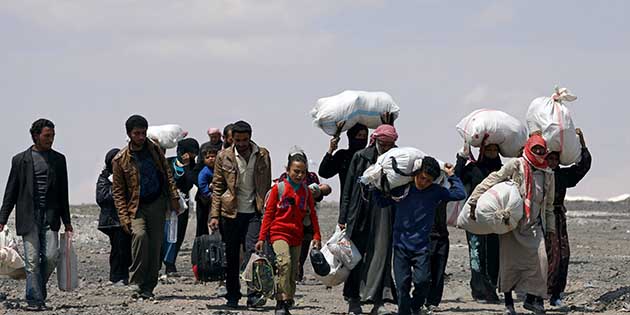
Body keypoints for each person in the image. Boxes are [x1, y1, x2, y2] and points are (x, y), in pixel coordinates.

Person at [467, 134, 556, 315]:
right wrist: (475, 199)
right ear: (529, 148)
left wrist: (551, 229)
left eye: (541, 149)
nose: (538, 152)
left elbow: (549, 206)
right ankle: (508, 303)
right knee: (509, 264)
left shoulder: (548, 174)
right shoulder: (516, 165)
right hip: (512, 223)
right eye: (535, 149)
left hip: (534, 225)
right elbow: (494, 179)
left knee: (541, 262)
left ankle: (532, 300)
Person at [0, 118, 73, 311]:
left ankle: (37, 289)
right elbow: (11, 191)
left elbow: (63, 193)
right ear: (35, 136)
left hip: (51, 216)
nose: (51, 140)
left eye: (53, 136)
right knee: (32, 260)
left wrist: (67, 222)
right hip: (28, 216)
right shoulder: (20, 160)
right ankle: (34, 300)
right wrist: (2, 219)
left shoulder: (59, 160)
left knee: (50, 257)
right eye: (47, 136)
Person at [379, 158, 466, 315]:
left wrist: (451, 175)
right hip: (400, 246)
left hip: (421, 247)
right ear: (416, 173)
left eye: (428, 180)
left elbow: (460, 193)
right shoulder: (402, 189)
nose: (423, 182)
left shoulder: (435, 191)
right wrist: (374, 184)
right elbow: (380, 202)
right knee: (402, 285)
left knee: (423, 281)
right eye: (422, 177)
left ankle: (416, 306)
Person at [112, 115, 180, 299]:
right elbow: (118, 192)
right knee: (140, 237)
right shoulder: (120, 160)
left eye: (143, 133)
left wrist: (173, 197)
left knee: (156, 245)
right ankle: (136, 282)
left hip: (157, 203)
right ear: (129, 134)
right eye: (137, 133)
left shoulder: (155, 150)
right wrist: (124, 217)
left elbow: (167, 173)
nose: (141, 137)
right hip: (136, 207)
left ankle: (149, 286)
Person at [209, 120, 272, 308]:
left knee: (254, 253)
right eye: (238, 140)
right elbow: (218, 187)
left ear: (250, 137)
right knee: (231, 255)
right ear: (232, 139)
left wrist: (267, 212)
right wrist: (214, 215)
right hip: (230, 213)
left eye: (245, 139)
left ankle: (254, 294)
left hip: (254, 212)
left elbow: (266, 185)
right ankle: (233, 295)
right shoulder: (224, 156)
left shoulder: (262, 155)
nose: (242, 143)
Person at [340, 123, 398, 315]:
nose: (387, 147)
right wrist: (343, 217)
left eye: (390, 144)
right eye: (384, 143)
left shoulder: (398, 158)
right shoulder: (360, 157)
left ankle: (378, 302)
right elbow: (348, 189)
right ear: (376, 141)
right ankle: (353, 300)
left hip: (383, 213)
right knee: (355, 258)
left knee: (381, 256)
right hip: (360, 213)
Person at [256, 151, 323, 315]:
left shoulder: (306, 192)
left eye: (303, 172)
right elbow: (269, 214)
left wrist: (317, 236)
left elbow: (312, 214)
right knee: (283, 263)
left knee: (293, 270)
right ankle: (281, 302)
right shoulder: (278, 189)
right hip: (279, 233)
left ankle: (288, 299)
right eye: (296, 171)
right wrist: (261, 238)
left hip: (296, 236)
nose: (299, 175)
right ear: (288, 170)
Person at [545, 128, 591, 308]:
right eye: (550, 158)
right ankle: (540, 293)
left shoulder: (562, 176)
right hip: (541, 219)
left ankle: (556, 294)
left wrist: (582, 143)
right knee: (549, 256)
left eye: (556, 159)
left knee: (563, 255)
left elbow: (582, 166)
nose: (553, 161)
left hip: (558, 219)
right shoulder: (536, 175)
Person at [272, 149, 332, 282]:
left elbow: (321, 195)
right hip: (286, 224)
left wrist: (317, 191)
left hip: (306, 221)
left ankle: (297, 274)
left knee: (301, 252)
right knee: (285, 259)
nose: (299, 174)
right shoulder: (283, 180)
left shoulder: (311, 177)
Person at [455, 143, 503, 303]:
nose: (491, 153)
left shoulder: (502, 170)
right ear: (482, 151)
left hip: (495, 220)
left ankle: (491, 289)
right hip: (474, 218)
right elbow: (456, 177)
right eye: (488, 149)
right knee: (476, 253)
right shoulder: (473, 169)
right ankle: (478, 291)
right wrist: (461, 158)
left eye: (494, 150)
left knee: (494, 255)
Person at [162, 138, 200, 275]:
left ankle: (170, 263)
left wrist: (187, 166)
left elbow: (190, 183)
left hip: (182, 205)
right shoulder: (169, 162)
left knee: (178, 234)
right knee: (165, 233)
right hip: (167, 203)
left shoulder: (192, 166)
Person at [96, 148, 132, 286]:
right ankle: (117, 276)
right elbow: (102, 197)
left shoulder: (127, 174)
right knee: (118, 249)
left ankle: (124, 275)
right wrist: (119, 189)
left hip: (124, 218)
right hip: (113, 221)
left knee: (126, 249)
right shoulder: (105, 177)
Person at [318, 123, 368, 197]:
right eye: (359, 135)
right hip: (347, 202)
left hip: (367, 203)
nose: (362, 139)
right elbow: (324, 172)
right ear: (351, 136)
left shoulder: (369, 156)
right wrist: (331, 150)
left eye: (364, 136)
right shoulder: (342, 156)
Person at [195, 143, 220, 237]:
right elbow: (202, 185)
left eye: (213, 156)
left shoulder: (220, 169)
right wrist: (209, 194)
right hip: (209, 201)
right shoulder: (205, 172)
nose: (211, 159)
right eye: (208, 157)